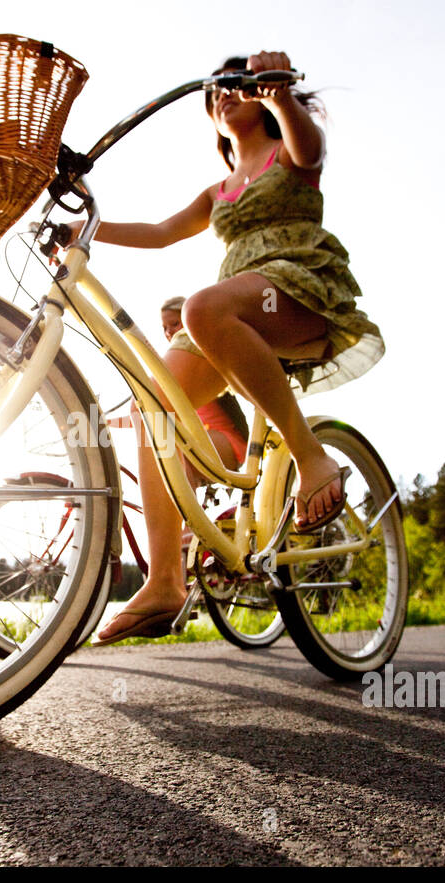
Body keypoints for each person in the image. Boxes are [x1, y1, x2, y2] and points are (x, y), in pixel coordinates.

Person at [90, 51, 385, 645]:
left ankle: (310, 456)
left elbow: (312, 150)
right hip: (232, 310)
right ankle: (167, 581)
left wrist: (279, 93)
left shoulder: (290, 151)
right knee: (157, 404)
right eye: (213, 94)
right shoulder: (218, 190)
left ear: (261, 95)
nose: (221, 97)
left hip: (299, 290)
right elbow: (161, 232)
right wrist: (87, 230)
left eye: (234, 85)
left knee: (202, 305)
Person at [159, 295, 250, 483]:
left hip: (227, 443)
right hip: (203, 441)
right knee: (162, 446)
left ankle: (181, 512)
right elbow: (146, 409)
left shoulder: (203, 360)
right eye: (164, 328)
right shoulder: (177, 369)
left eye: (174, 324)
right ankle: (184, 508)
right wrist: (106, 420)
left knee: (174, 452)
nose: (168, 332)